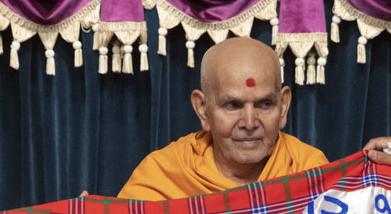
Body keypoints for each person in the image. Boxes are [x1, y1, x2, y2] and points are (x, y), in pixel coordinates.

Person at [118, 37, 328, 200]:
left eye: (264, 104)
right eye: (233, 106)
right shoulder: (164, 176)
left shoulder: (310, 173)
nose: (249, 123)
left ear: (283, 106)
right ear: (202, 109)